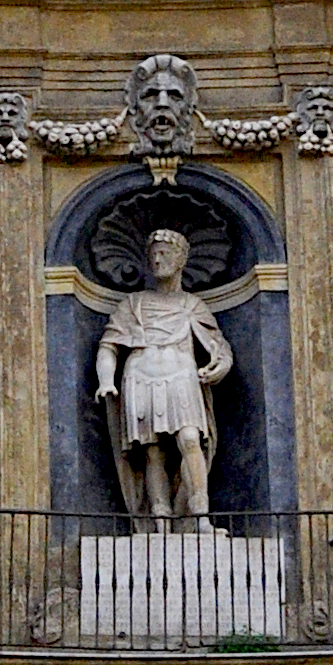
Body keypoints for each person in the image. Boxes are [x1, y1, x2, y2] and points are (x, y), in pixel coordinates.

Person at [94, 226, 233, 527]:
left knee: (190, 439)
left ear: (181, 260)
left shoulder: (192, 305)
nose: (158, 260)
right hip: (141, 375)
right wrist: (106, 380)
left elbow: (219, 347)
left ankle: (199, 515)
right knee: (152, 450)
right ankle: (160, 519)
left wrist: (218, 367)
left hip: (182, 376)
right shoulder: (132, 304)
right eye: (154, 254)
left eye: (165, 254)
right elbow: (109, 346)